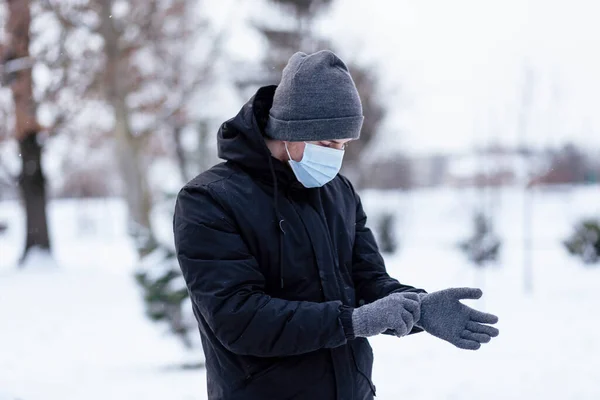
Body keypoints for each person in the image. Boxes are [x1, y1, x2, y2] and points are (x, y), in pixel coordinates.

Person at [173, 50, 499, 400]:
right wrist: (353, 322)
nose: (335, 155)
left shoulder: (338, 193)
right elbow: (239, 319)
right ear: (289, 131)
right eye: (327, 142)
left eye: (343, 145)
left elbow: (368, 281)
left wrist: (418, 307)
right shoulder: (209, 200)